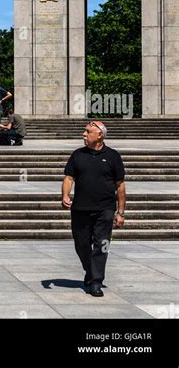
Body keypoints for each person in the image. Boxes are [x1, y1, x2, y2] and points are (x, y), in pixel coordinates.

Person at [62, 120, 126, 297]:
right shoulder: (77, 155)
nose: (83, 134)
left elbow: (120, 186)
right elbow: (68, 178)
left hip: (105, 208)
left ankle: (96, 281)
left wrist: (120, 213)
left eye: (87, 131)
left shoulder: (113, 156)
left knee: (102, 244)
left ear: (99, 135)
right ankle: (90, 273)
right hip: (81, 208)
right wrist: (65, 195)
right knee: (81, 244)